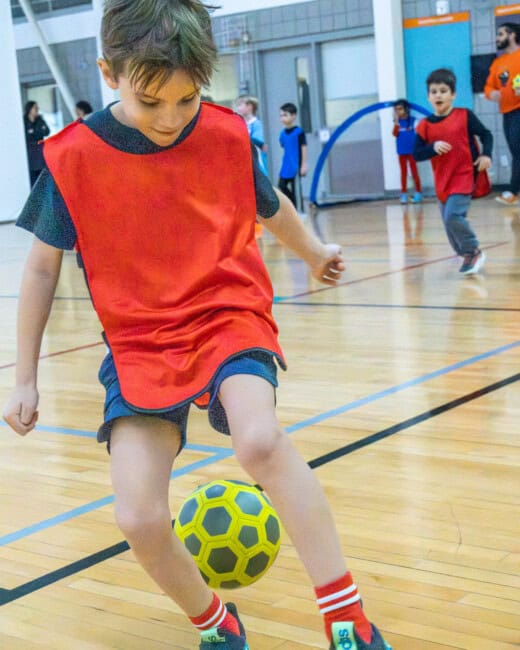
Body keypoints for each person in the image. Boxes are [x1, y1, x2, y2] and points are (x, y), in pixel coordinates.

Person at [2, 2, 392, 650]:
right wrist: (24, 379)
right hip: (139, 342)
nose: (171, 118)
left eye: (187, 100)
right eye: (152, 101)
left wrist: (316, 251)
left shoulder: (223, 136)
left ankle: (346, 617)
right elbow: (42, 271)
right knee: (138, 515)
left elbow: (270, 206)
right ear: (109, 74)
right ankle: (217, 622)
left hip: (225, 310)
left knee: (259, 441)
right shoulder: (71, 159)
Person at [414, 68, 492, 275]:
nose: (438, 95)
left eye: (443, 90)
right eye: (434, 91)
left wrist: (487, 155)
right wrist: (432, 148)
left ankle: (473, 251)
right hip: (442, 181)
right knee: (448, 225)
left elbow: (486, 134)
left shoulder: (464, 115)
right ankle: (465, 254)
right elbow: (416, 154)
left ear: (453, 95)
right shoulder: (424, 126)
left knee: (453, 217)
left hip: (464, 175)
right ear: (428, 97)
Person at [485, 22, 520, 205]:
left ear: (512, 35)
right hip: (508, 113)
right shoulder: (498, 62)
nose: (497, 38)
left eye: (500, 34)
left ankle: (513, 192)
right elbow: (488, 86)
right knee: (516, 152)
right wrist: (492, 93)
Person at [278, 102, 308, 211]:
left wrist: (304, 165)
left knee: (296, 189)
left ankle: (299, 210)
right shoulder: (282, 133)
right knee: (281, 186)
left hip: (296, 164)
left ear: (293, 115)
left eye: (285, 115)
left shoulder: (299, 132)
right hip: (286, 165)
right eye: (281, 115)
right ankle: (292, 206)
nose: (282, 118)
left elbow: (303, 148)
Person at [392, 98, 422, 204]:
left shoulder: (414, 120)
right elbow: (395, 134)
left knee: (414, 172)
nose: (398, 112)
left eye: (400, 109)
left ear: (406, 109)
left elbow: (419, 134)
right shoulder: (397, 123)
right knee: (403, 173)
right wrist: (396, 122)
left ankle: (418, 193)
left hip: (412, 151)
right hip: (401, 151)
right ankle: (404, 194)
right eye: (396, 110)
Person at [235, 95, 268, 175]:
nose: (238, 108)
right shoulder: (240, 124)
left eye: (240, 105)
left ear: (249, 107)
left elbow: (258, 140)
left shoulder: (256, 124)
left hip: (256, 158)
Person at [23, 100, 50, 187]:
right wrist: (37, 133)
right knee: (32, 183)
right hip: (29, 157)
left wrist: (35, 132)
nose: (37, 109)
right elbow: (27, 137)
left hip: (40, 155)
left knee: (43, 182)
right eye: (35, 108)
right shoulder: (24, 122)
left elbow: (46, 131)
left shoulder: (40, 120)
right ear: (29, 109)